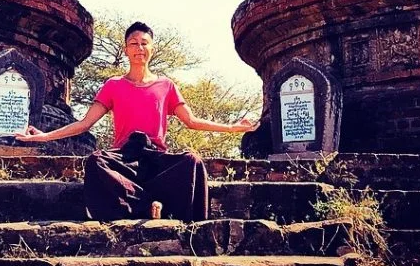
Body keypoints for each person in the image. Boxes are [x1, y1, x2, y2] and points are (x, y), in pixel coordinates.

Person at [15, 20, 258, 221]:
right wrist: (44, 136)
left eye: (144, 43)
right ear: (125, 49)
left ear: (152, 48)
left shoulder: (166, 85)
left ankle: (157, 208)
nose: (139, 48)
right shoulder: (113, 85)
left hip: (156, 158)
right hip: (125, 159)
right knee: (97, 161)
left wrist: (233, 128)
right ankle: (148, 206)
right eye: (134, 43)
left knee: (191, 162)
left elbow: (191, 121)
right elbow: (85, 124)